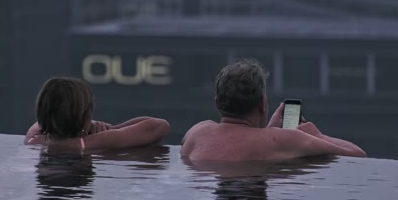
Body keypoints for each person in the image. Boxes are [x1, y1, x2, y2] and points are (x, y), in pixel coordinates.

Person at [180, 58, 367, 161]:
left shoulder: (196, 133)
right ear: (262, 104)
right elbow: (358, 156)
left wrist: (268, 131)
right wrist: (318, 136)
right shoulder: (282, 141)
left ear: (217, 103)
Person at [24, 77, 170, 151]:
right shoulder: (90, 143)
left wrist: (89, 126)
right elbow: (159, 126)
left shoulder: (34, 139)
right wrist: (111, 130)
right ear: (84, 115)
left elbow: (40, 123)